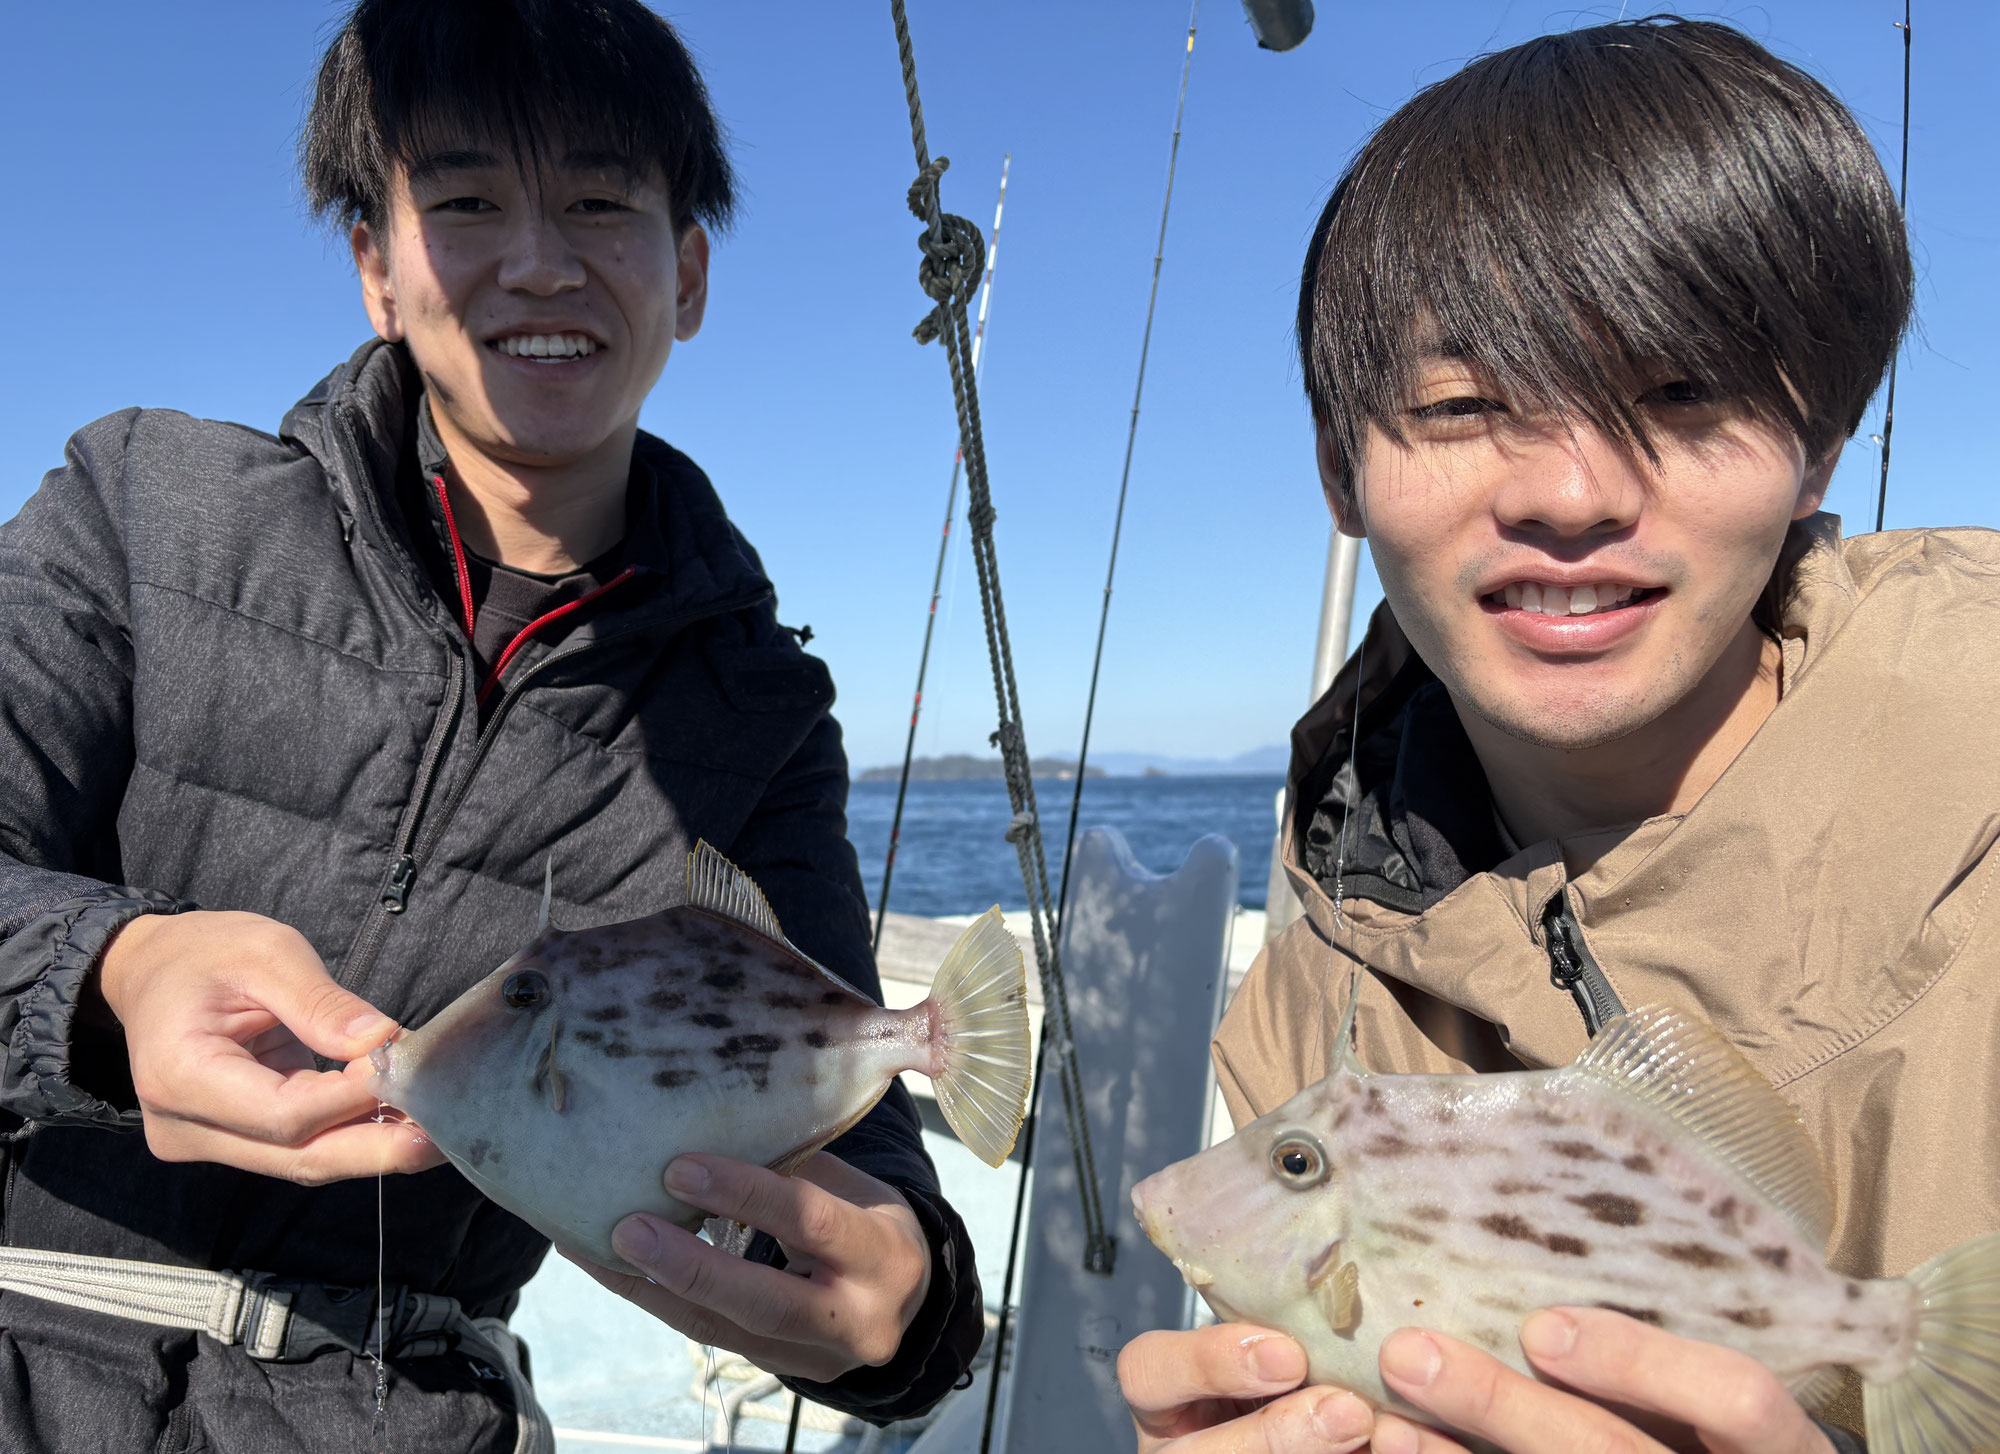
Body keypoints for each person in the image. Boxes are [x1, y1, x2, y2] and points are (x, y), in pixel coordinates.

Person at [0, 2, 983, 1449]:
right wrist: (114, 970)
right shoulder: (141, 508)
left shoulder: (755, 714)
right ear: (376, 267)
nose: (538, 262)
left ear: (688, 272)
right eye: (465, 202)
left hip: (410, 1407)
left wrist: (907, 1308)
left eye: (600, 201)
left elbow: (855, 1143)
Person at [1118, 17, 1995, 1454]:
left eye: (1682, 392)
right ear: (1345, 470)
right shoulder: (1311, 992)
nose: (1575, 491)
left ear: (1818, 445)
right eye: (1463, 403)